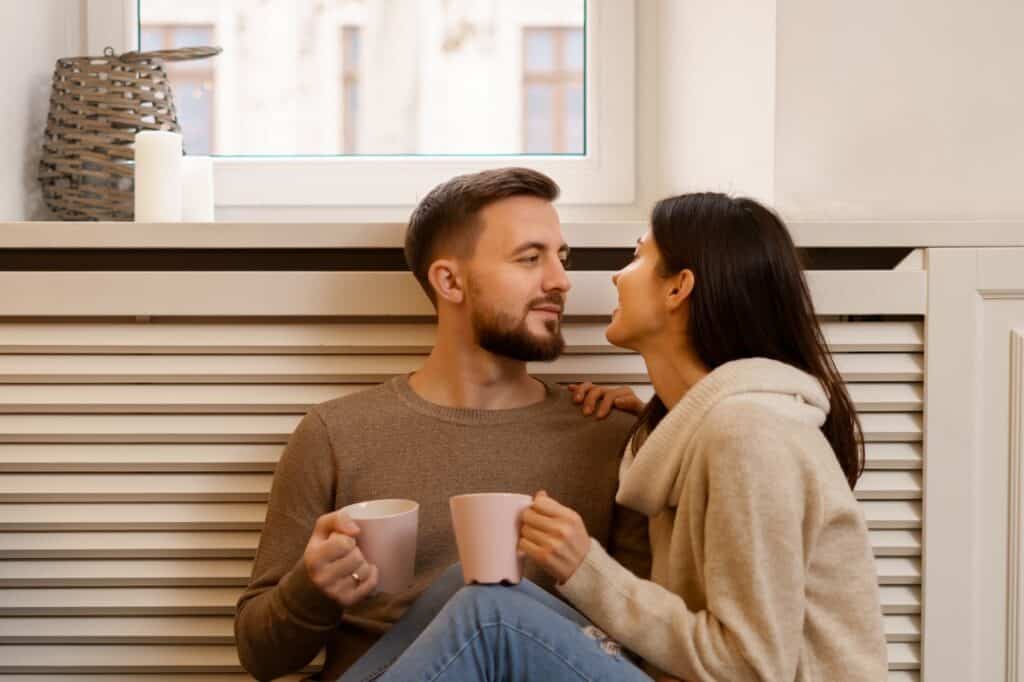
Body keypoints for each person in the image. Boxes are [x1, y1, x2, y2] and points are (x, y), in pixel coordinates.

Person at [339, 192, 889, 681]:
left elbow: (751, 667)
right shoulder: (703, 428)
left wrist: (585, 566)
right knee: (469, 583)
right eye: (532, 258)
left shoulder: (750, 435)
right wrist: (660, 417)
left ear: (679, 288)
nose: (610, 276)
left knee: (490, 614)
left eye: (637, 256)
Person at [233, 167, 650, 681]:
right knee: (477, 596)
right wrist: (311, 589)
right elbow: (260, 656)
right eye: (529, 258)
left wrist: (660, 419)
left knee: (484, 599)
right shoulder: (336, 433)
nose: (561, 281)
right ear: (449, 281)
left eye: (561, 258)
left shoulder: (608, 432)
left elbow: (641, 643)